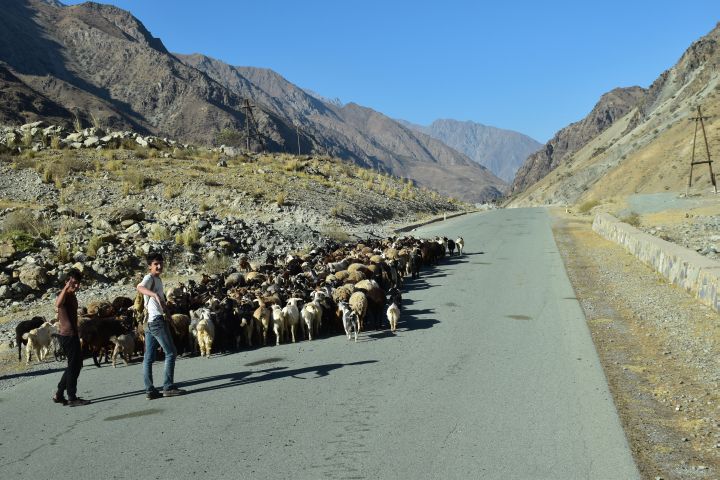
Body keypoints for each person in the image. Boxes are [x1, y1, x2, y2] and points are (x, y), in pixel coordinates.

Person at [137, 252, 185, 399]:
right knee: (171, 353)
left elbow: (161, 302)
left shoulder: (158, 280)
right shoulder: (149, 278)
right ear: (149, 266)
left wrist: (169, 316)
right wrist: (154, 295)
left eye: (160, 263)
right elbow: (140, 287)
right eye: (155, 264)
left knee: (149, 357)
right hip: (156, 322)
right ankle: (168, 387)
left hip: (152, 322)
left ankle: (150, 390)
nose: (159, 266)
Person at [53, 268, 90, 407]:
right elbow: (57, 304)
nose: (76, 286)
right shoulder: (64, 294)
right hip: (68, 335)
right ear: (67, 282)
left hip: (73, 334)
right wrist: (66, 288)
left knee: (73, 365)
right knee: (74, 366)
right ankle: (72, 397)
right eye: (73, 283)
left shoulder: (72, 295)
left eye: (78, 283)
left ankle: (59, 394)